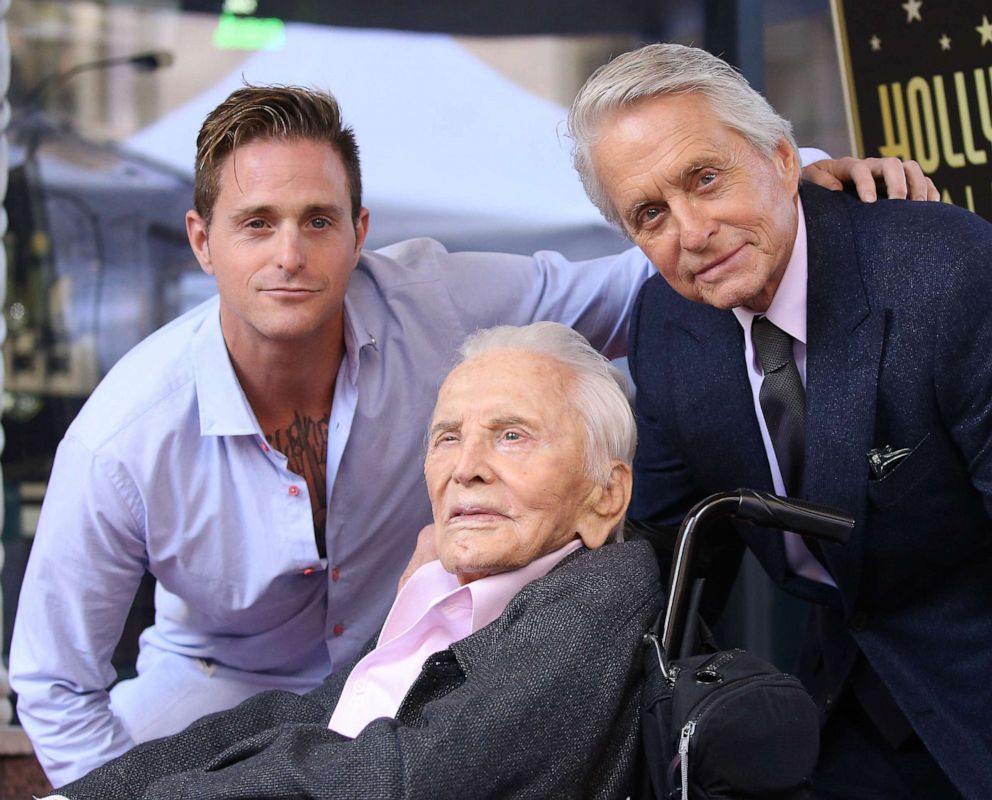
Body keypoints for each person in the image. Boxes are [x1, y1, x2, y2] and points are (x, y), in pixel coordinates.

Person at [9, 84, 927, 786]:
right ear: (203, 241)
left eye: (318, 221)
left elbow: (626, 288)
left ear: (359, 231)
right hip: (210, 689)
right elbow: (53, 684)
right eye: (256, 224)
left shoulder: (433, 301)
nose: (290, 255)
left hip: (410, 664)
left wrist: (790, 176)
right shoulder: (123, 438)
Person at [567, 42, 992, 800]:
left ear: (783, 158)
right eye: (650, 213)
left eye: (705, 178)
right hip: (836, 707)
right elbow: (665, 556)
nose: (692, 231)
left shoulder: (949, 271)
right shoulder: (667, 324)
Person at [40, 321, 661, 800]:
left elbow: (400, 775)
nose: (465, 467)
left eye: (511, 435)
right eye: (448, 436)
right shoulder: (442, 589)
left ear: (606, 495)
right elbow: (306, 718)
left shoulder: (601, 592)